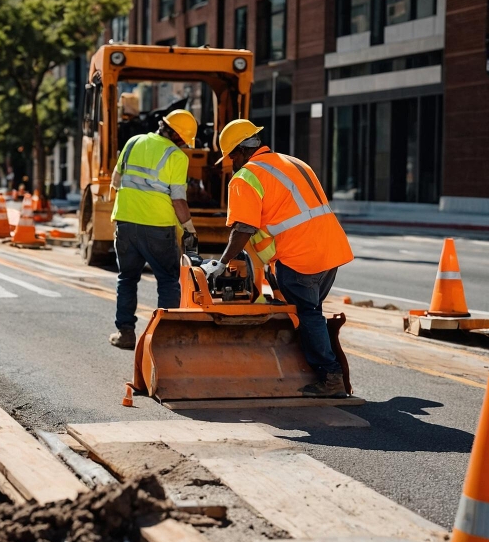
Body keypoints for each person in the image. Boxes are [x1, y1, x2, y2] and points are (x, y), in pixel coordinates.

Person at [204, 119, 354, 397]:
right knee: (311, 312)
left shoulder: (246, 176)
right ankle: (319, 368)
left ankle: (330, 377)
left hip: (300, 257)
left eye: (231, 156)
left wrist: (222, 263)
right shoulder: (293, 162)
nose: (231, 163)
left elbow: (244, 229)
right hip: (330, 250)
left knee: (308, 314)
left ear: (239, 151)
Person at [109, 109, 199, 349]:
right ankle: (165, 338)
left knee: (127, 278)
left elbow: (115, 181)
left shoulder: (132, 142)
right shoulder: (177, 157)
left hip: (126, 223)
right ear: (180, 137)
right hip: (158, 227)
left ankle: (126, 334)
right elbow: (178, 200)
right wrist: (189, 228)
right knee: (168, 281)